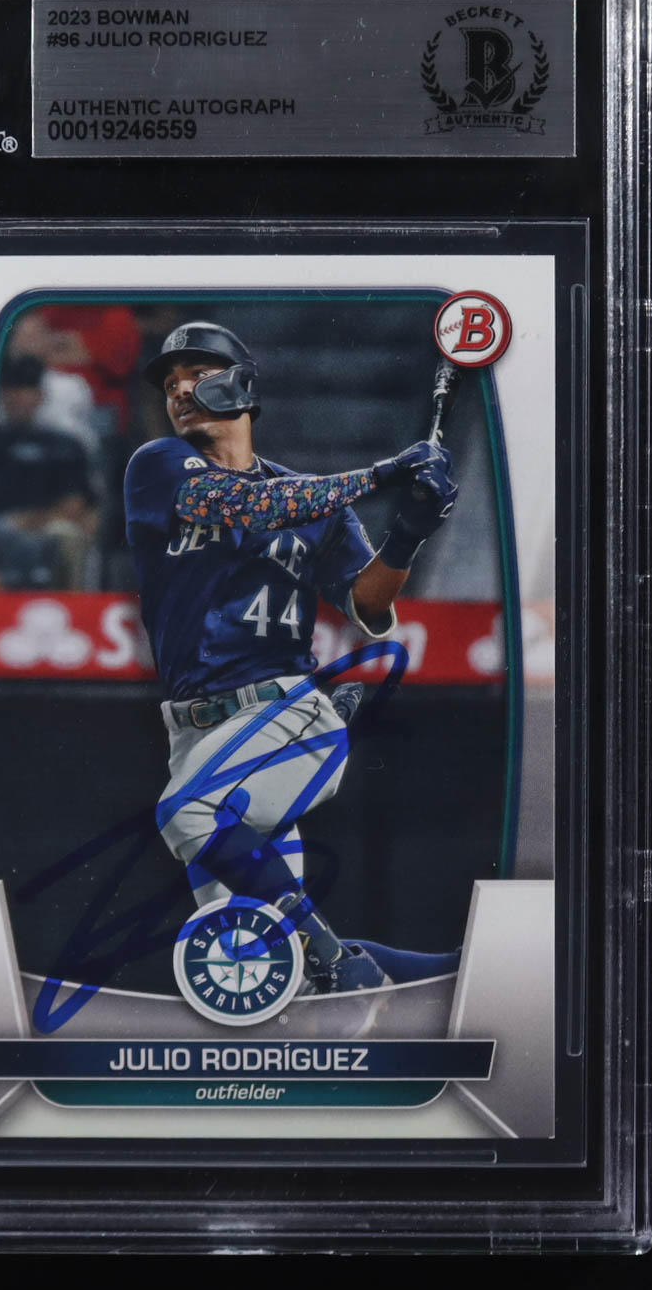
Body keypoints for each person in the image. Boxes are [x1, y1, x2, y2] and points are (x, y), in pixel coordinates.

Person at [124, 322, 458, 995]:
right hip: (194, 735)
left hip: (283, 712)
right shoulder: (158, 464)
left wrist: (409, 531)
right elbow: (245, 504)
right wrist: (381, 474)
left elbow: (368, 606)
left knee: (185, 813)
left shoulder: (312, 502)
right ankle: (443, 973)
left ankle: (336, 958)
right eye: (170, 383)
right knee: (252, 957)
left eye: (198, 374)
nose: (180, 390)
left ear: (243, 386)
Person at [0, 357, 101, 591]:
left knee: (67, 534)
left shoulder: (65, 446)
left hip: (45, 534)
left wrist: (28, 520)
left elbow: (77, 505)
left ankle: (71, 608)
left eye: (27, 389)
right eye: (13, 389)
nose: (19, 397)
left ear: (40, 396)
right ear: (3, 395)